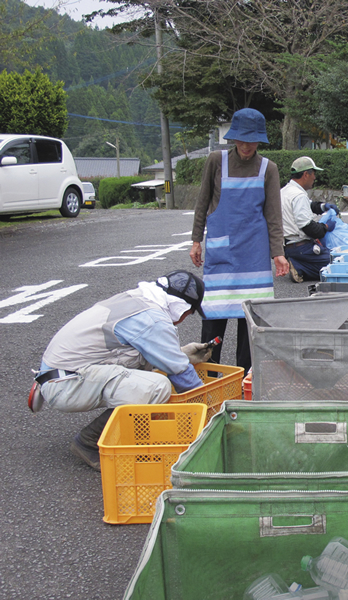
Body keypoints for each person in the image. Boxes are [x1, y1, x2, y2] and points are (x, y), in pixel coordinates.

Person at [29, 270, 211, 471]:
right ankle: (89, 442)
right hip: (65, 384)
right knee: (157, 387)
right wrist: (210, 414)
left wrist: (181, 355)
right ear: (180, 307)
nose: (185, 318)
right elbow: (181, 374)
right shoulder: (153, 319)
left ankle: (125, 432)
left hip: (59, 373)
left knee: (145, 374)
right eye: (189, 313)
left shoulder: (138, 300)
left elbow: (145, 350)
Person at [190, 108, 290, 372]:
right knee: (213, 317)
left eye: (252, 140)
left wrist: (277, 252)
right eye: (242, 139)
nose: (247, 145)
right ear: (233, 138)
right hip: (222, 252)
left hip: (254, 254)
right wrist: (196, 239)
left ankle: (244, 379)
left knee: (249, 321)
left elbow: (273, 214)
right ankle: (209, 377)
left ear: (260, 140)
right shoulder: (216, 161)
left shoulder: (269, 168)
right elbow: (202, 202)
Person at [280, 156, 340, 283]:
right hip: (303, 248)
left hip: (288, 246)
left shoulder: (285, 191)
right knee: (337, 264)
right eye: (314, 174)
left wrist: (323, 207)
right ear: (306, 174)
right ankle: (301, 267)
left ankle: (299, 265)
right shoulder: (299, 195)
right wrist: (326, 227)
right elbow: (309, 228)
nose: (315, 178)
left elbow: (309, 205)